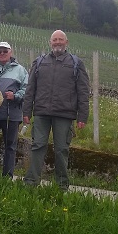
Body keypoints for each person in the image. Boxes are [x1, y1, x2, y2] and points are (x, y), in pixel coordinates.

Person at [22, 30, 90, 190]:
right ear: (50, 43)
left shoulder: (76, 63)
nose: (57, 42)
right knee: (37, 146)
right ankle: (31, 183)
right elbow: (30, 88)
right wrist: (26, 111)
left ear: (66, 42)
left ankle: (61, 186)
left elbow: (83, 91)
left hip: (64, 114)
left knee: (61, 150)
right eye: (54, 40)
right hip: (41, 113)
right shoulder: (39, 62)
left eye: (60, 39)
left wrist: (83, 116)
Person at [0, 42, 28, 177]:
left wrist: (16, 96)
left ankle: (7, 177)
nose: (2, 53)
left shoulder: (20, 70)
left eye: (5, 51)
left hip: (12, 115)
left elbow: (27, 89)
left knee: (10, 147)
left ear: (11, 52)